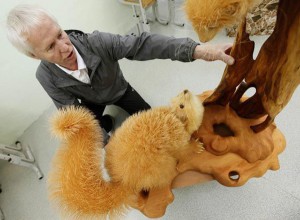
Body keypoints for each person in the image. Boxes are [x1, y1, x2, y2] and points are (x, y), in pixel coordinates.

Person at [6, 4, 234, 142]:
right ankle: (105, 122)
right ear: (34, 56)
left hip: (120, 90)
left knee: (152, 122)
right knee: (97, 130)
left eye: (60, 34)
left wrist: (198, 50)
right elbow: (73, 115)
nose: (65, 48)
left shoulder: (97, 42)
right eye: (50, 47)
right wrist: (107, 144)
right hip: (89, 103)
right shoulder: (45, 77)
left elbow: (143, 44)